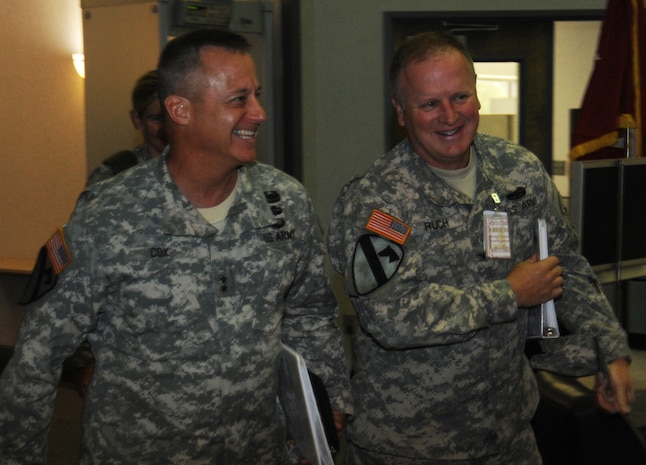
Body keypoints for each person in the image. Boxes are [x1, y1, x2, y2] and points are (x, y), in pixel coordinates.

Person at [0, 28, 351, 464]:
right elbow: (37, 356)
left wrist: (325, 407)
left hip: (257, 451)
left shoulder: (284, 201)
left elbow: (311, 311)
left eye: (256, 95)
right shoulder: (107, 216)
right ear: (180, 110)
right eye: (239, 99)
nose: (259, 113)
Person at [327, 31, 634, 465]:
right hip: (410, 448)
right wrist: (508, 294)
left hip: (509, 435)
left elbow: (566, 264)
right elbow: (391, 317)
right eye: (429, 103)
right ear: (400, 111)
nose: (449, 116)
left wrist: (610, 350)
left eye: (460, 96)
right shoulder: (378, 202)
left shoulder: (518, 171)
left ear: (477, 96)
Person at [87, 70, 168, 185]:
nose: (168, 128)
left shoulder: (200, 170)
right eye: (157, 119)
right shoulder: (113, 176)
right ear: (137, 120)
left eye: (174, 117)